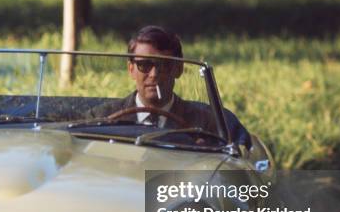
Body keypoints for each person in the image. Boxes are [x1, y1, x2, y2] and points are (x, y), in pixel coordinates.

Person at [87, 25, 251, 147]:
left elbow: (239, 160)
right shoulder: (102, 119)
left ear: (178, 69)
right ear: (131, 69)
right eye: (144, 65)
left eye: (164, 65)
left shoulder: (210, 123)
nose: (154, 74)